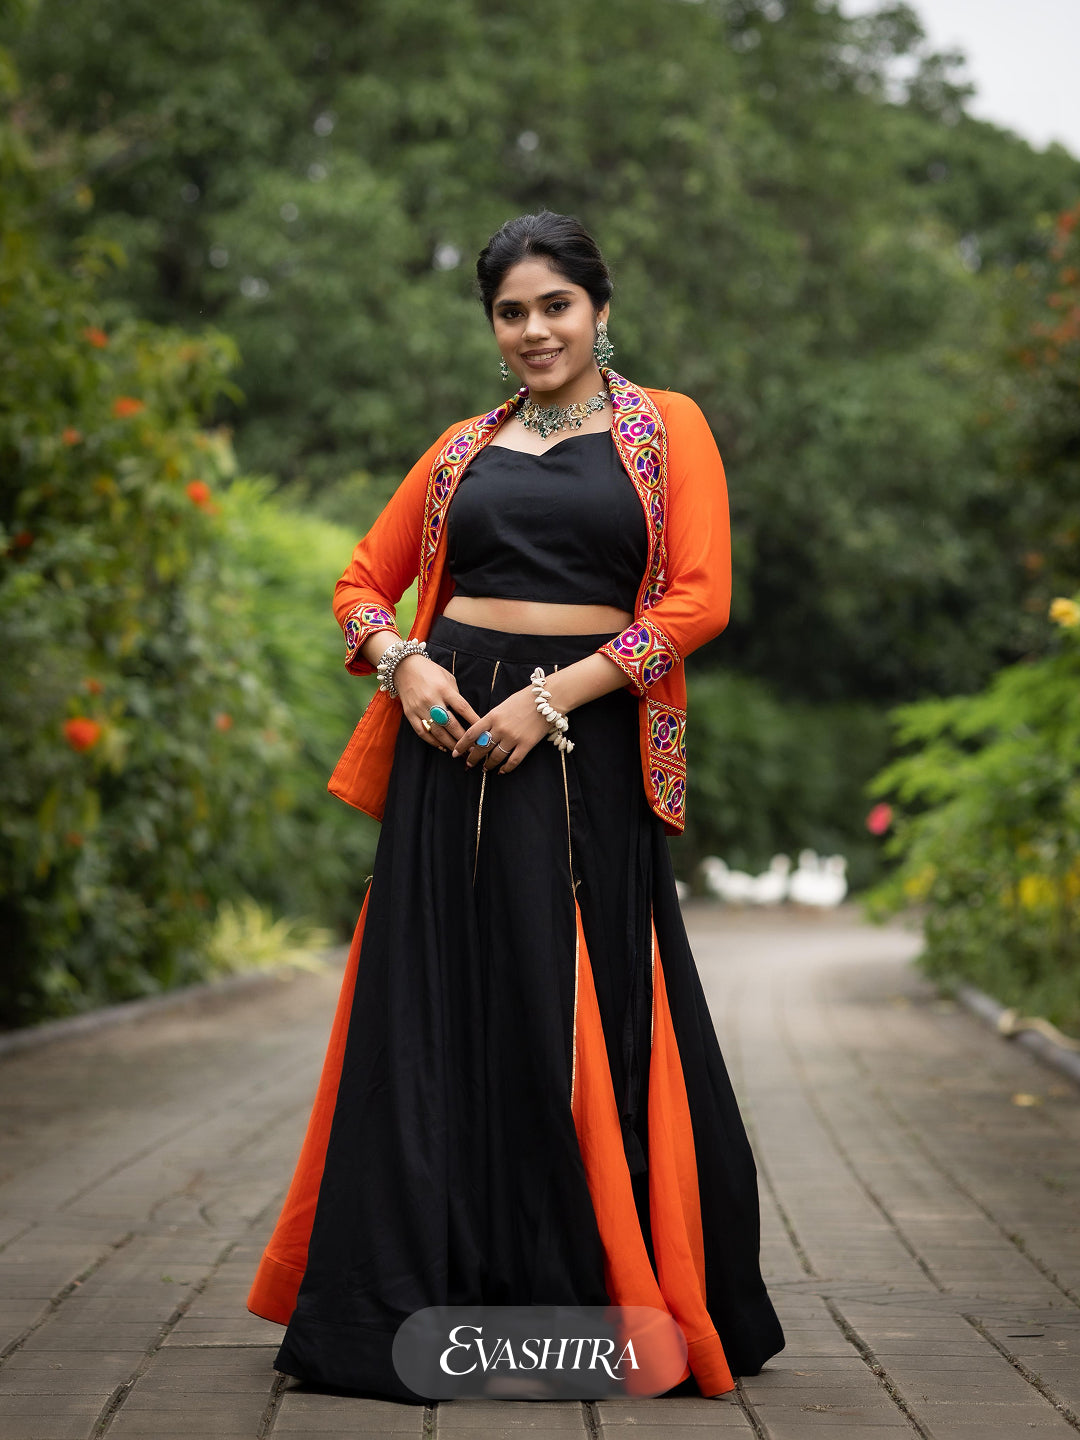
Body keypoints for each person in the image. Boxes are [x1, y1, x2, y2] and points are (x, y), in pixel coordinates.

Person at [246, 210, 785, 1402]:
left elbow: (698, 600)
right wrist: (406, 661)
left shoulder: (666, 429)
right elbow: (358, 583)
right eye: (511, 311)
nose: (536, 330)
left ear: (599, 308)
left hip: (580, 752)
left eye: (556, 306)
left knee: (570, 1000)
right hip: (449, 752)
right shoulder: (458, 451)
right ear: (491, 326)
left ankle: (591, 1299)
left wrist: (555, 701)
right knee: (437, 1003)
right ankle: (423, 1294)